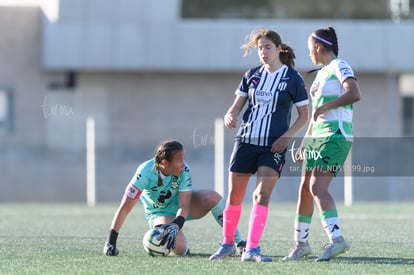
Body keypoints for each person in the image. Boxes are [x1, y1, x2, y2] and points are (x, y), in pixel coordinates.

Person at [209, 28, 309, 262]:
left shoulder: (292, 79)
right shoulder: (251, 75)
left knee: (261, 195)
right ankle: (227, 245)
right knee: (234, 196)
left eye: (267, 47)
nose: (263, 52)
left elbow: (304, 115)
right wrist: (229, 116)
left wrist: (287, 137)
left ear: (278, 49)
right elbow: (235, 107)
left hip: (272, 147)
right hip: (245, 141)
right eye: (259, 48)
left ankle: (251, 248)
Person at [283, 26, 361, 262]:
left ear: (318, 47)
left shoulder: (340, 65)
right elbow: (315, 114)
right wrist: (305, 142)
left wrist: (327, 107)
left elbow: (355, 93)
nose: (309, 54)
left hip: (335, 136)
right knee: (305, 189)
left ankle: (337, 240)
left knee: (317, 187)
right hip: (318, 137)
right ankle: (301, 244)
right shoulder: (321, 73)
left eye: (309, 49)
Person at [103, 140, 245, 256]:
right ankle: (183, 248)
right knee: (180, 248)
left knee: (213, 197)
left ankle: (238, 243)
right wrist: (111, 242)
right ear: (165, 163)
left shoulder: (185, 170)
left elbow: (184, 205)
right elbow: (124, 208)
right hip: (159, 213)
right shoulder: (144, 173)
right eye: (179, 160)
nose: (183, 164)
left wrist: (176, 224)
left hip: (182, 208)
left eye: (183, 159)